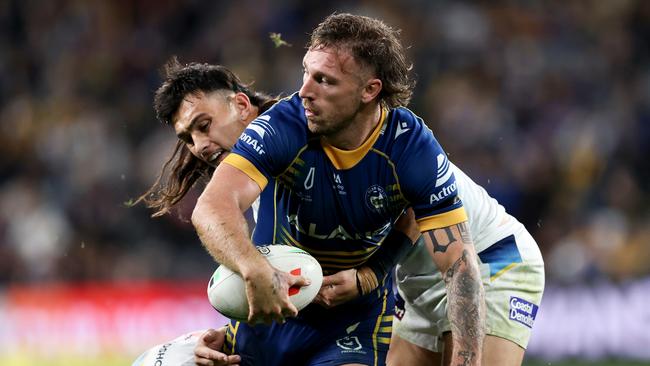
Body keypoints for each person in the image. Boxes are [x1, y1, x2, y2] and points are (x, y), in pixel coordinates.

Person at [191, 13, 486, 366]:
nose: (305, 91)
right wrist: (254, 269)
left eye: (324, 81)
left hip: (354, 322)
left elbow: (460, 269)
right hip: (276, 311)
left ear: (369, 90)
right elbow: (211, 208)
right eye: (306, 73)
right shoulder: (284, 124)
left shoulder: (411, 149)